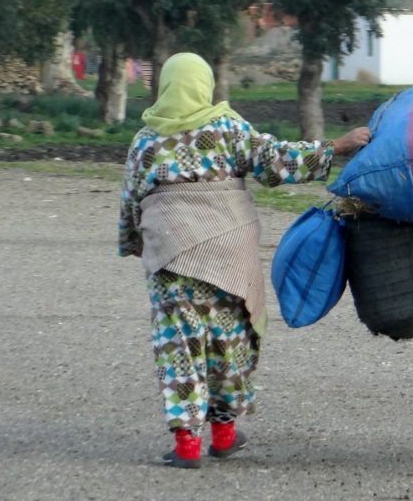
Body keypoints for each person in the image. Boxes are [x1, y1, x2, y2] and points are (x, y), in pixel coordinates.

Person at [118, 52, 370, 469]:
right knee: (229, 342)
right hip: (227, 256)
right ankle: (224, 436)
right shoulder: (227, 127)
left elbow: (131, 201)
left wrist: (134, 243)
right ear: (204, 85)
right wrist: (336, 147)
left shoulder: (146, 141)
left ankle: (186, 448)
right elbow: (275, 162)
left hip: (172, 257)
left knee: (179, 347)